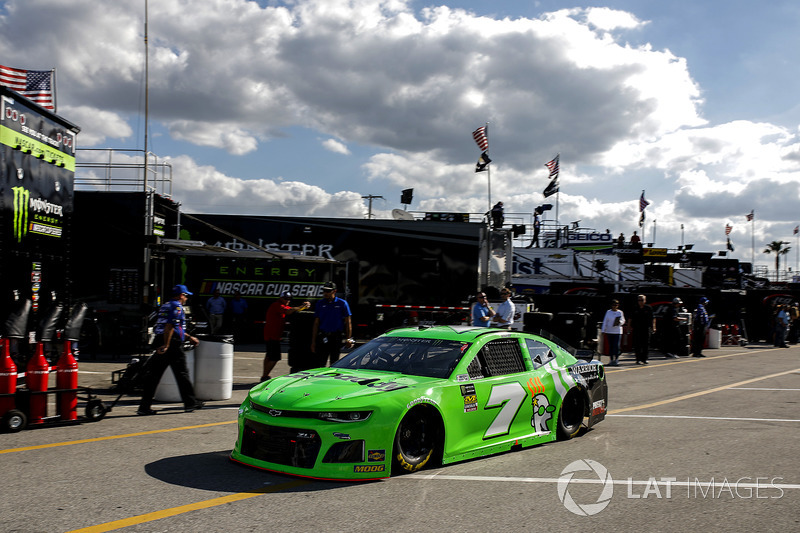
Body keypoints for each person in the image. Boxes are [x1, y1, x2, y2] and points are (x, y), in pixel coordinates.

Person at [137, 284, 203, 415]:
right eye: (185, 295)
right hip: (171, 344)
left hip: (161, 340)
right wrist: (166, 345)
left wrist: (189, 337)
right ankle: (190, 403)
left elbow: (172, 327)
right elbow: (170, 327)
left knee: (154, 375)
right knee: (182, 374)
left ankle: (144, 406)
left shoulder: (165, 305)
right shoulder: (177, 307)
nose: (186, 298)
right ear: (180, 295)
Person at [262, 291, 311, 381]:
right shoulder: (277, 305)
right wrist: (301, 306)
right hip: (272, 336)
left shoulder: (283, 305)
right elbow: (288, 311)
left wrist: (304, 306)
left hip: (272, 335)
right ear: (281, 298)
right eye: (286, 299)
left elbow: (293, 309)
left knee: (269, 356)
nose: (288, 300)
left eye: (289, 299)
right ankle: (265, 376)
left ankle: (265, 375)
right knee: (274, 357)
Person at [311, 282, 353, 366]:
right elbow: (316, 323)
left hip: (336, 337)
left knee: (334, 362)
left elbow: (348, 322)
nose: (325, 293)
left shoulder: (342, 303)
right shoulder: (320, 303)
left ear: (334, 291)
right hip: (323, 336)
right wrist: (313, 341)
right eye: (324, 291)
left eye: (328, 291)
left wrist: (349, 338)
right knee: (320, 363)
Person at [630, 294, 655, 364]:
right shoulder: (635, 308)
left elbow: (653, 318)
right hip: (637, 328)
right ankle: (638, 359)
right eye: (639, 300)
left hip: (646, 328)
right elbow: (630, 318)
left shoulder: (648, 308)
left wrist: (654, 327)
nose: (640, 302)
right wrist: (629, 327)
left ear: (645, 300)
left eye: (642, 300)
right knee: (637, 344)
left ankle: (644, 359)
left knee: (646, 344)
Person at [601, 299, 625, 366]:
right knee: (611, 346)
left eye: (616, 305)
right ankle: (611, 359)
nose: (614, 306)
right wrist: (603, 330)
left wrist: (619, 322)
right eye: (613, 305)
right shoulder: (608, 312)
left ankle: (616, 359)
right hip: (610, 331)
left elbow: (623, 320)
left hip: (617, 331)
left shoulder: (620, 312)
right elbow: (605, 321)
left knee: (616, 346)